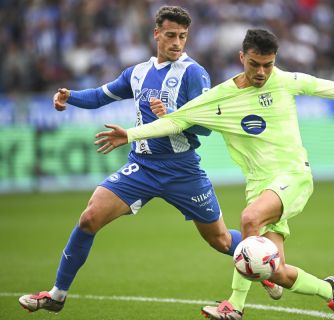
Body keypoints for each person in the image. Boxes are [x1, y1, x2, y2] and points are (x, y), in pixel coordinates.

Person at [94, 29, 334, 320]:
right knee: (276, 270)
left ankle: (234, 307)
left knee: (249, 220)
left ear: (275, 60)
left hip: (293, 175)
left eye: (268, 64)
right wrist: (132, 134)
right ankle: (330, 290)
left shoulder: (286, 82)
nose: (261, 71)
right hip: (259, 186)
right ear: (242, 57)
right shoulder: (220, 97)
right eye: (254, 64)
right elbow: (177, 121)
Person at [18, 7, 284, 314]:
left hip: (183, 170)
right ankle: (56, 295)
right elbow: (101, 95)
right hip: (142, 167)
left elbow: (206, 127)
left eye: (183, 36)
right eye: (170, 35)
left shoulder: (194, 74)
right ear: (156, 34)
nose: (177, 42)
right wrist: (69, 96)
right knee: (90, 217)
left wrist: (170, 117)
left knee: (221, 240)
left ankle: (262, 263)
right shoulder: (137, 73)